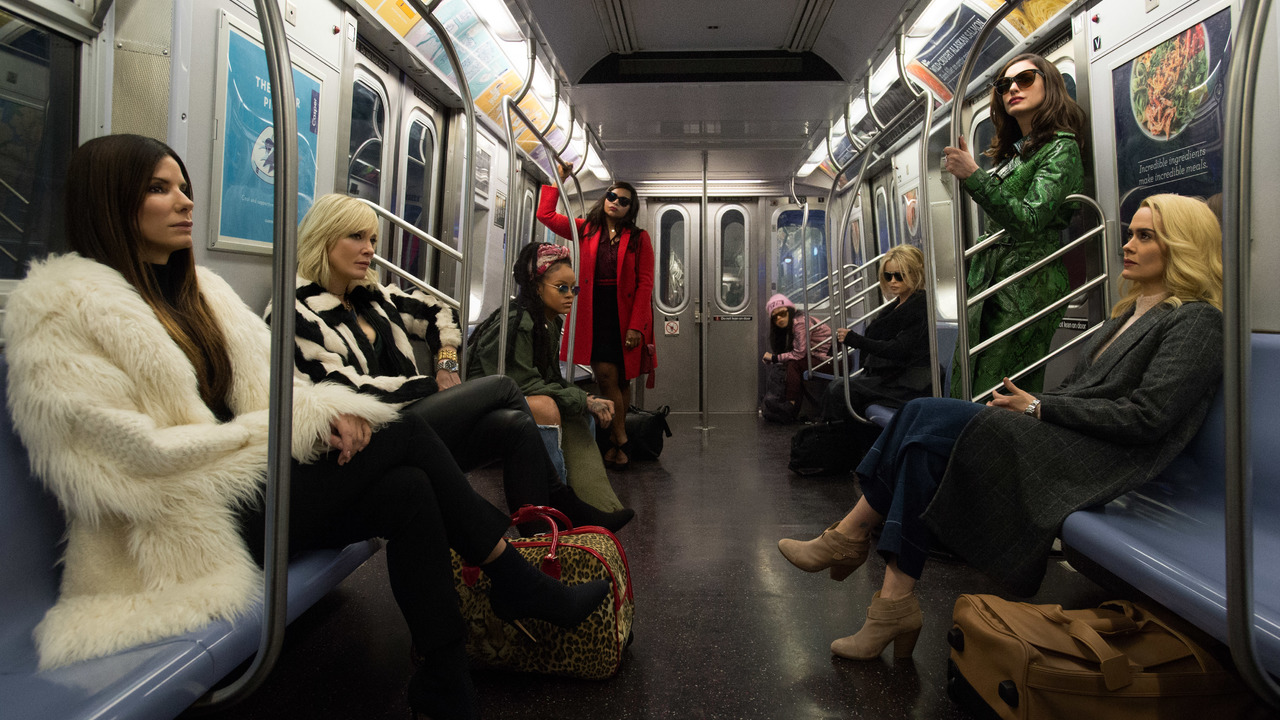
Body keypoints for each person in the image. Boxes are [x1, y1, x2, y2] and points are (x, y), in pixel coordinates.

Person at [3, 134, 610, 720]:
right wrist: (273, 437)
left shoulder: (201, 294)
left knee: (409, 490)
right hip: (175, 522)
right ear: (110, 202)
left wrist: (324, 415)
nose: (186, 202)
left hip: (247, 491)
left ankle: (446, 680)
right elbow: (120, 457)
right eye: (160, 189)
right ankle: (513, 579)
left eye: (184, 187)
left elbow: (274, 390)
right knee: (405, 434)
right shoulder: (62, 312)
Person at [778, 195, 1223, 661]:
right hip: (1069, 437)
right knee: (921, 442)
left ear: (1182, 246)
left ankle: (849, 541)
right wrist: (1032, 405)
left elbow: (1147, 416)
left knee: (922, 415)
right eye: (1131, 233)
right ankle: (891, 603)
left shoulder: (1197, 320)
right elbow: (1078, 390)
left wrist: (1039, 409)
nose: (1127, 244)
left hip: (1101, 459)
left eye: (1145, 236)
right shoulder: (1128, 314)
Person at [280, 193, 633, 532]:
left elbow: (439, 311)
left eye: (372, 239)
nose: (370, 249)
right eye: (356, 237)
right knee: (503, 387)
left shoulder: (373, 299)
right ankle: (562, 501)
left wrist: (446, 364)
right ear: (324, 238)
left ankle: (541, 530)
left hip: (415, 420)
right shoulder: (298, 311)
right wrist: (425, 388)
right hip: (380, 430)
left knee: (513, 424)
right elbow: (343, 388)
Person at [943, 53, 1086, 398]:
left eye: (1025, 79)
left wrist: (974, 176)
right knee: (972, 383)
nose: (1013, 89)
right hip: (994, 280)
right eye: (1004, 85)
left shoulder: (1061, 149)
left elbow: (1030, 220)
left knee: (999, 392)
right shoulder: (1017, 154)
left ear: (1050, 84)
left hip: (1028, 283)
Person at [468, 242, 628, 513]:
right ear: (537, 287)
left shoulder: (548, 322)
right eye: (561, 287)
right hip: (482, 403)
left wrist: (584, 399)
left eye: (573, 288)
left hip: (510, 394)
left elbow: (550, 377)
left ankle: (593, 503)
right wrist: (582, 399)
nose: (570, 295)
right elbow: (522, 383)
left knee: (580, 412)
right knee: (548, 407)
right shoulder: (519, 322)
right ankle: (557, 502)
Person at [536, 164, 654, 469]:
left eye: (623, 200)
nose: (615, 202)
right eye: (612, 196)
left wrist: (637, 326)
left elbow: (645, 284)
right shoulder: (585, 228)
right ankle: (621, 439)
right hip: (595, 311)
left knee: (622, 379)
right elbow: (545, 215)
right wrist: (558, 180)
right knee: (605, 375)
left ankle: (617, 442)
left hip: (625, 314)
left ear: (630, 209)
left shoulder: (639, 238)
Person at [822, 244, 931, 422]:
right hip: (891, 377)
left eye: (899, 275)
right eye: (888, 276)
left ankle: (836, 435)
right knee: (839, 388)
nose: (893, 281)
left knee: (839, 389)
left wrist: (855, 340)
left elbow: (898, 349)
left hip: (908, 383)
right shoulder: (896, 305)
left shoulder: (919, 306)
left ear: (914, 274)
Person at [761, 293, 832, 419]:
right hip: (821, 357)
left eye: (782, 313)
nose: (779, 318)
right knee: (791, 364)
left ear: (790, 311)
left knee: (794, 364)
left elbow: (799, 353)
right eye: (775, 317)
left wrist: (774, 358)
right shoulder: (793, 324)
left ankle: (790, 405)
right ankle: (789, 406)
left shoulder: (800, 322)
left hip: (835, 359)